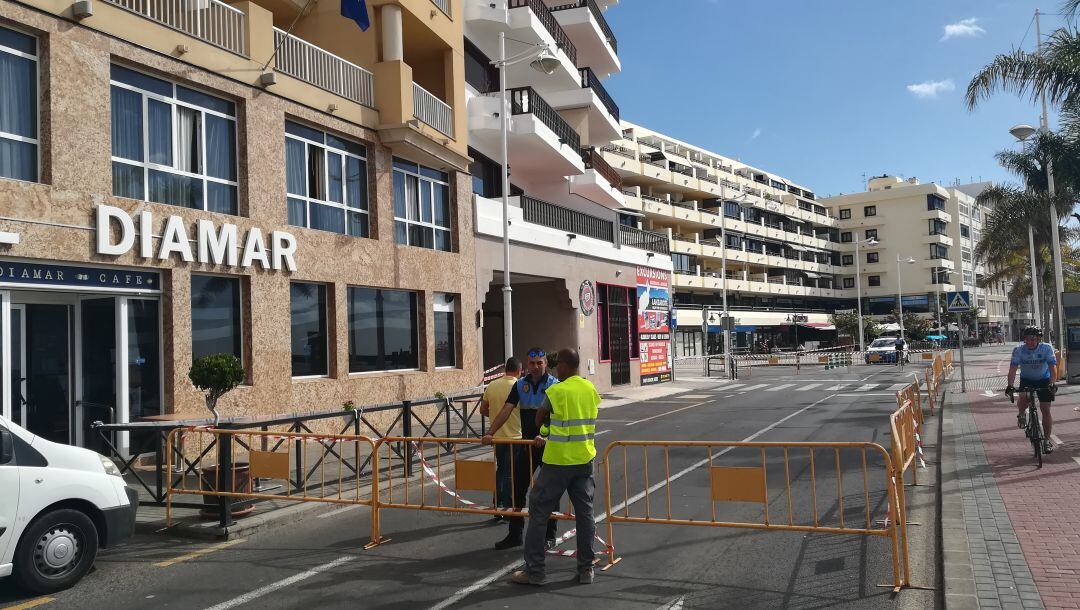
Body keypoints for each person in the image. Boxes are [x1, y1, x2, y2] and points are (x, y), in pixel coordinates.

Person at [511, 348, 600, 587]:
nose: (554, 368)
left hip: (558, 462)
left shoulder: (556, 390)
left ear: (564, 365)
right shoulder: (590, 389)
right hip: (584, 460)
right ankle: (586, 570)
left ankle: (535, 571)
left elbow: (539, 418)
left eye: (556, 364)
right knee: (585, 514)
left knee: (539, 512)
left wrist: (547, 426)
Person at [498, 348, 559, 548]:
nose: (535, 367)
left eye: (539, 363)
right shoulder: (520, 385)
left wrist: (546, 434)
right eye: (531, 363)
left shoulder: (554, 385)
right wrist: (490, 433)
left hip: (548, 446)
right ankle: (515, 534)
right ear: (527, 365)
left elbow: (559, 417)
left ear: (545, 364)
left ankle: (550, 535)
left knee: (550, 492)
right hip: (526, 447)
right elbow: (507, 409)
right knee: (517, 489)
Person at [479, 358, 522, 532]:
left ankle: (497, 504)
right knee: (511, 473)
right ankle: (507, 506)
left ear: (505, 369)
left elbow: (482, 409)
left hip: (496, 436)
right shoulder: (520, 386)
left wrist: (494, 414)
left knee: (501, 469)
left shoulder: (492, 386)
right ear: (519, 371)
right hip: (516, 436)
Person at [1005, 326, 1058, 453]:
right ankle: (1022, 413)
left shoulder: (1046, 348)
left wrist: (1052, 383)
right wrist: (1010, 385)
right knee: (1024, 396)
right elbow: (1012, 369)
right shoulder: (1018, 350)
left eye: (1033, 339)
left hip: (1044, 380)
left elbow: (1052, 368)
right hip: (1027, 379)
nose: (1030, 342)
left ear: (1039, 339)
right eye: (1027, 339)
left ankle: (1046, 441)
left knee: (1045, 409)